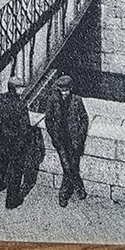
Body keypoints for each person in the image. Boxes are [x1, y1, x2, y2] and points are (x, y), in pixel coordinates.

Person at [0, 76, 33, 210]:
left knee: (0, 162)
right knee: (15, 171)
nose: (23, 90)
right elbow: (24, 130)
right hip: (14, 145)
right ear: (17, 89)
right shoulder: (20, 105)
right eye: (21, 87)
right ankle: (12, 200)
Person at [44, 73, 90, 207]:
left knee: (73, 167)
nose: (64, 93)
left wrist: (80, 137)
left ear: (70, 89)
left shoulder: (77, 100)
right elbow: (48, 120)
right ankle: (64, 194)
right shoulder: (53, 100)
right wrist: (54, 135)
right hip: (61, 141)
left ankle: (78, 190)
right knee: (67, 168)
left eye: (66, 90)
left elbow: (84, 119)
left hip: (74, 141)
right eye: (62, 90)